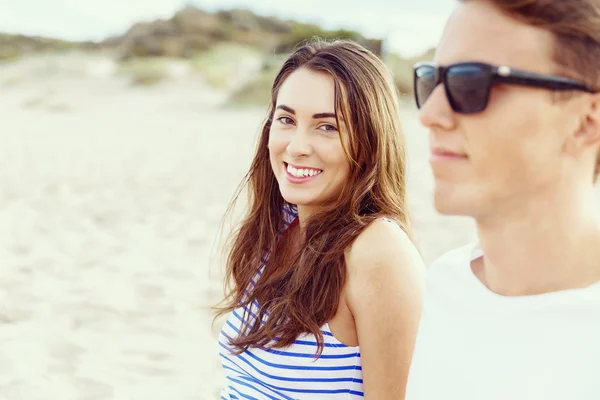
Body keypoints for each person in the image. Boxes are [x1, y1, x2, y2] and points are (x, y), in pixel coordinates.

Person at [406, 1, 600, 399]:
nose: (430, 113)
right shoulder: (445, 284)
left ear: (586, 121)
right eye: (431, 80)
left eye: (471, 82)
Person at [214, 39, 425, 399]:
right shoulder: (280, 225)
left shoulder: (378, 251)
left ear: (369, 140)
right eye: (286, 119)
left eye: (327, 127)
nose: (297, 146)